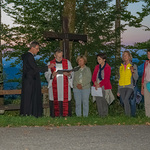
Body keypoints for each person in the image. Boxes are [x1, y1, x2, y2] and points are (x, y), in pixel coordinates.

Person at [20, 41, 54, 118]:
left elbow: (33, 68)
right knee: (30, 97)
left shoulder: (27, 56)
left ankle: (29, 113)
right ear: (32, 48)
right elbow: (34, 69)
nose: (38, 50)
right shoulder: (29, 56)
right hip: (30, 81)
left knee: (29, 97)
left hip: (28, 80)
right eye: (37, 48)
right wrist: (47, 67)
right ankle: (30, 113)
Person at [45, 48, 73, 117]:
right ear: (55, 55)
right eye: (59, 56)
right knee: (55, 102)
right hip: (54, 87)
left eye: (61, 56)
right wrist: (52, 75)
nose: (61, 58)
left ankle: (66, 116)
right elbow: (46, 74)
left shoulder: (67, 62)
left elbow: (72, 72)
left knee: (65, 102)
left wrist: (69, 74)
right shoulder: (50, 63)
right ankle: (55, 116)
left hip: (65, 86)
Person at [117, 51, 138, 116]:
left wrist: (133, 72)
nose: (125, 56)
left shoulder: (133, 65)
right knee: (123, 101)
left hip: (130, 86)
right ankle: (128, 116)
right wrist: (118, 90)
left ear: (129, 56)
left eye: (126, 55)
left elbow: (136, 77)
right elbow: (119, 78)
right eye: (124, 55)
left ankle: (128, 116)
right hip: (122, 87)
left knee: (126, 100)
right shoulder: (121, 67)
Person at [92, 53, 113, 117]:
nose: (98, 61)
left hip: (104, 86)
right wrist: (95, 82)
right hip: (97, 86)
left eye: (99, 59)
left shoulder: (107, 67)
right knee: (98, 100)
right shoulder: (97, 67)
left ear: (104, 59)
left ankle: (105, 115)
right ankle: (100, 114)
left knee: (104, 100)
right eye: (97, 59)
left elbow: (107, 78)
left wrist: (100, 84)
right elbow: (93, 77)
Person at [141, 48, 150, 117]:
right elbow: (144, 74)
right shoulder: (146, 63)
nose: (149, 55)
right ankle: (147, 116)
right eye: (148, 54)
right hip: (146, 82)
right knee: (147, 101)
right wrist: (142, 87)